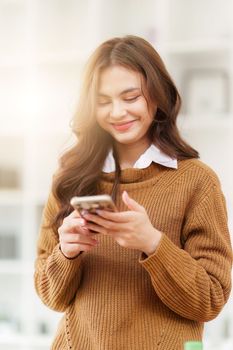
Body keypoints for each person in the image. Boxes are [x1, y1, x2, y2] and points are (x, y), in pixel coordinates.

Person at [34, 35, 232, 350]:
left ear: (156, 95)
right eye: (103, 101)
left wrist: (153, 244)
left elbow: (210, 300)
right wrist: (67, 253)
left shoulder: (197, 181)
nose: (117, 112)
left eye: (131, 97)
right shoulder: (70, 179)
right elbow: (50, 297)